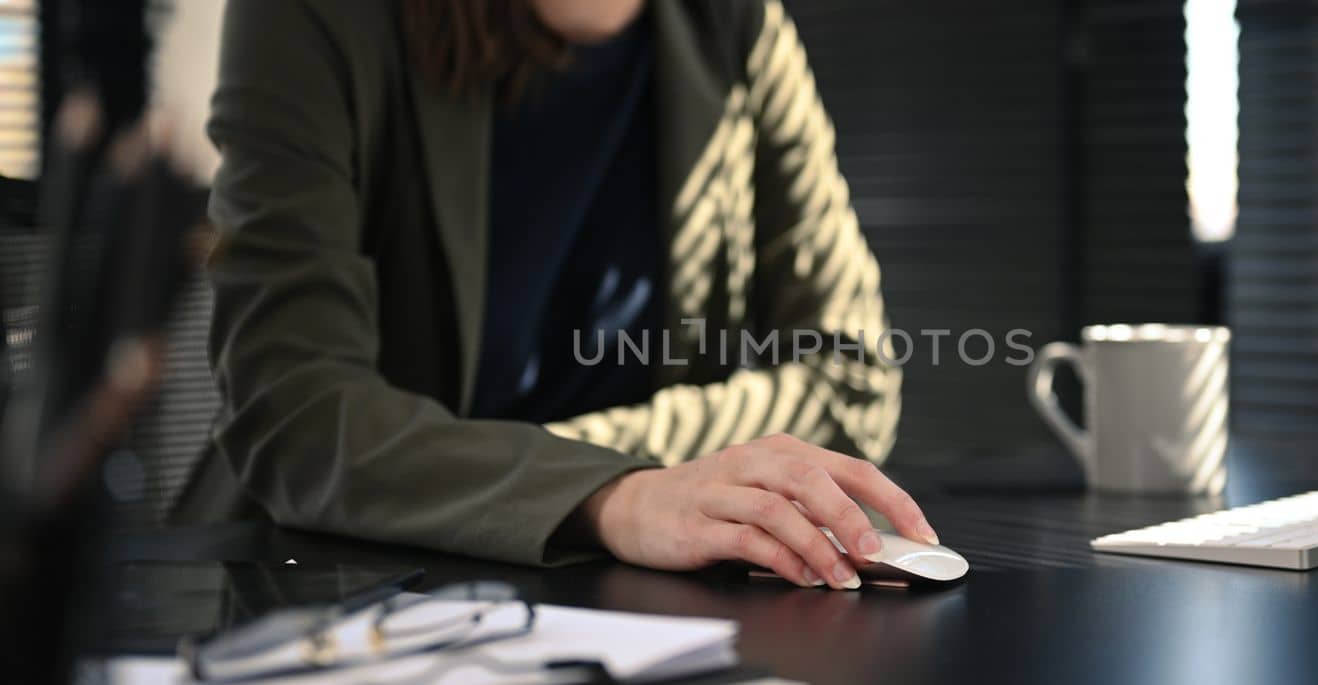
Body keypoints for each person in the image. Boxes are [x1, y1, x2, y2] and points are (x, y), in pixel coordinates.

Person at [170, 0, 930, 591]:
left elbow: (852, 377)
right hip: (325, 590)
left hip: (624, 605)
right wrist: (611, 493)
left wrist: (606, 481)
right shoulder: (317, 18)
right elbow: (296, 410)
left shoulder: (736, 26)